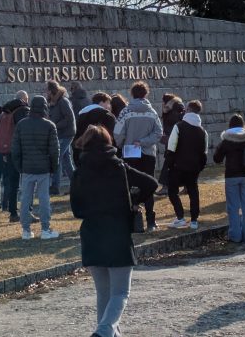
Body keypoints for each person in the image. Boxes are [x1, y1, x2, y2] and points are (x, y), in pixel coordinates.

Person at [70, 125, 158, 337]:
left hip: (91, 232)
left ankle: (108, 331)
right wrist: (133, 201)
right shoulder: (119, 167)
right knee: (120, 292)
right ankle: (103, 330)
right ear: (108, 142)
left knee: (104, 293)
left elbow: (76, 209)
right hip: (117, 230)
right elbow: (151, 183)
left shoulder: (79, 171)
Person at [113, 81, 164, 231]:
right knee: (148, 185)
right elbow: (159, 133)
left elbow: (117, 133)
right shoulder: (152, 112)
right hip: (148, 153)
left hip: (130, 154)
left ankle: (133, 220)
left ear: (132, 94)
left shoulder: (125, 112)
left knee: (131, 185)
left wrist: (123, 144)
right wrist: (143, 142)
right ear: (146, 94)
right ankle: (151, 221)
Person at [10, 96, 61, 240]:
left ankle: (26, 230)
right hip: (44, 168)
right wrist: (54, 167)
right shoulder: (49, 125)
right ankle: (45, 229)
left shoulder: (21, 124)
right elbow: (54, 150)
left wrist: (19, 166)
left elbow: (15, 148)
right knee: (44, 199)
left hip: (26, 167)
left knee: (26, 198)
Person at [214, 114, 245, 244]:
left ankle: (235, 236)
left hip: (231, 176)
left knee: (233, 207)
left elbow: (217, 159)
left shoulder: (227, 140)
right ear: (242, 124)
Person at [165, 100, 208, 229]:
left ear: (188, 110)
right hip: (194, 167)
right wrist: (200, 167)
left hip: (178, 166)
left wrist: (169, 164)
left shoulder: (179, 126)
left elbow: (171, 147)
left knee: (172, 191)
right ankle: (194, 220)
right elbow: (204, 153)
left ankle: (180, 217)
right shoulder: (202, 131)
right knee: (193, 192)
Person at [0, 92, 31, 223]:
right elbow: (25, 129)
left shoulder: (5, 112)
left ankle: (13, 212)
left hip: (8, 151)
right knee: (27, 182)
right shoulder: (22, 110)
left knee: (13, 183)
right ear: (25, 99)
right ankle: (27, 212)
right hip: (21, 150)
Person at [46, 80, 77, 196]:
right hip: (61, 133)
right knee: (66, 160)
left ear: (51, 90)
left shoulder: (63, 101)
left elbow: (69, 118)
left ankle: (55, 187)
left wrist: (55, 124)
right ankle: (76, 184)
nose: (46, 92)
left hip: (66, 134)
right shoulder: (54, 102)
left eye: (47, 90)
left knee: (57, 158)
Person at [74, 92, 117, 167]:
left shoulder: (81, 115)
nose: (109, 106)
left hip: (84, 154)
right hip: (104, 154)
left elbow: (77, 134)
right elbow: (113, 136)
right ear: (101, 102)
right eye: (108, 103)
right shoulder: (108, 116)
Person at [157, 94, 186, 196]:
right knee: (176, 163)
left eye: (163, 101)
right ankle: (186, 185)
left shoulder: (178, 106)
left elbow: (183, 119)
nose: (161, 103)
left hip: (176, 139)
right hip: (170, 139)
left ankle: (166, 186)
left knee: (169, 162)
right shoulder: (167, 109)